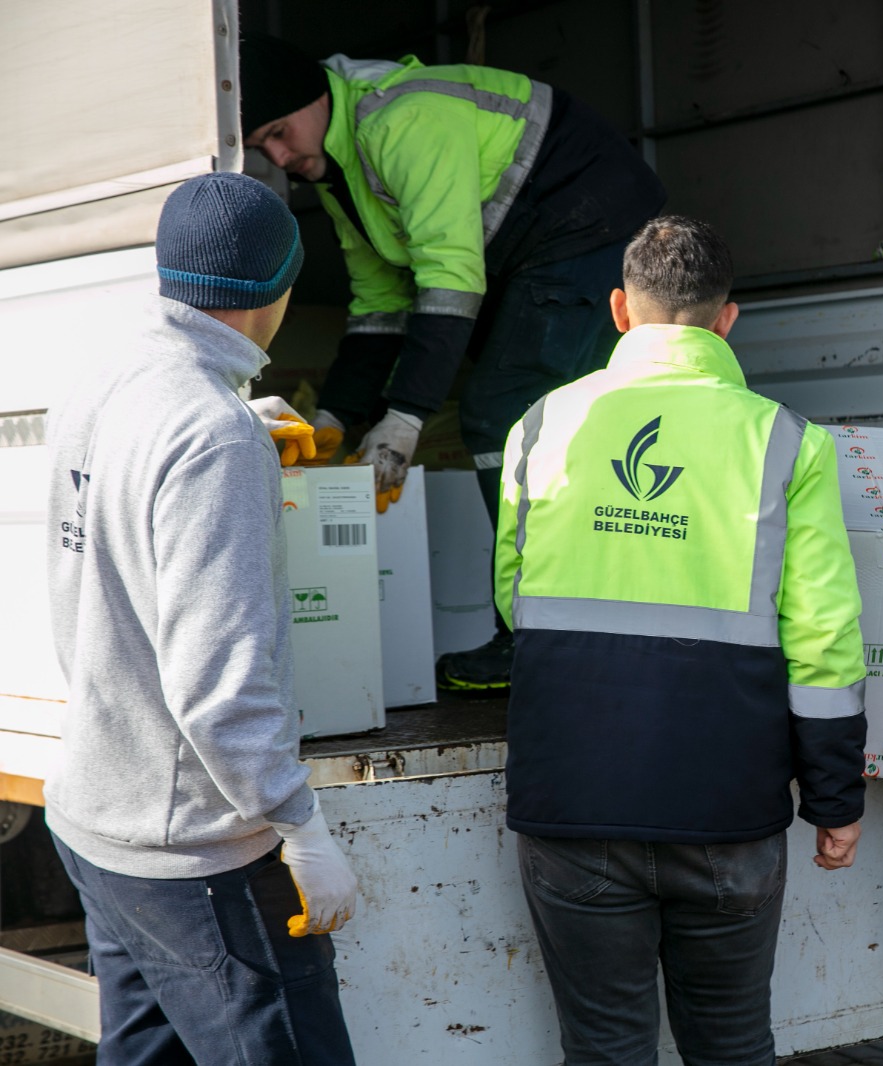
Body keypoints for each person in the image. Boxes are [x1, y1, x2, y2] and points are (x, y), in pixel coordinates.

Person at [494, 216, 867, 1065]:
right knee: (733, 1044)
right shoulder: (785, 440)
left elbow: (514, 597)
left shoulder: (541, 425)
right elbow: (823, 636)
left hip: (575, 799)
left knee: (604, 1048)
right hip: (727, 807)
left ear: (620, 310)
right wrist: (836, 796)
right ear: (727, 319)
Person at [44, 172, 360, 1063]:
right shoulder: (213, 437)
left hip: (100, 820)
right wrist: (298, 823)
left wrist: (229, 423)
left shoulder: (107, 381)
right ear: (282, 290)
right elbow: (218, 688)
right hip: (199, 858)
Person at [240, 34, 667, 689]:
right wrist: (335, 419)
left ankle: (535, 638)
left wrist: (405, 419)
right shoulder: (339, 168)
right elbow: (380, 303)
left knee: (501, 412)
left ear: (316, 99)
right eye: (259, 145)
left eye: (278, 131)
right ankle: (581, 622)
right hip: (528, 248)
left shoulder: (401, 120)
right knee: (526, 411)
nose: (276, 154)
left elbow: (449, 276)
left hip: (591, 223)